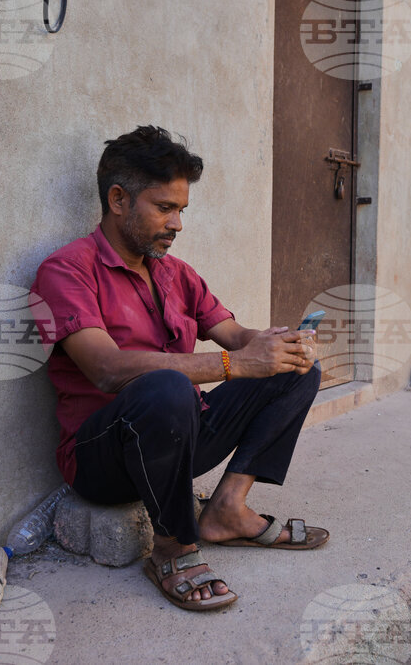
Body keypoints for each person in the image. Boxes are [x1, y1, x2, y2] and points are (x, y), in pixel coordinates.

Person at [31, 126, 327, 611]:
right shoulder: (67, 270)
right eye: (165, 209)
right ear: (119, 199)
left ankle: (226, 509)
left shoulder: (176, 273)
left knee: (295, 371)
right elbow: (105, 369)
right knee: (164, 386)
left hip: (181, 437)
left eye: (181, 210)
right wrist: (234, 365)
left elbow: (235, 336)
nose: (177, 224)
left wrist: (282, 345)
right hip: (103, 459)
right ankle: (172, 547)